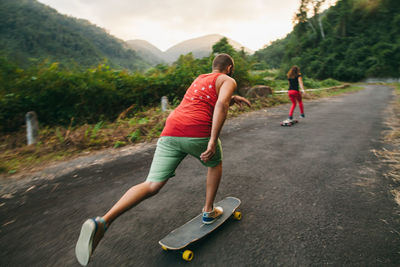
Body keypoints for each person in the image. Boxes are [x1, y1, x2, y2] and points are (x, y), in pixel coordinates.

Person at [75, 53, 251, 266]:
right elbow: (220, 104)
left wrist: (233, 99)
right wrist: (212, 140)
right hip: (197, 132)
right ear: (229, 67)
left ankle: (103, 221)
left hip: (170, 131)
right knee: (215, 164)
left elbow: (208, 99)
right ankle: (208, 211)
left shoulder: (199, 79)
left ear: (212, 66)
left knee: (151, 184)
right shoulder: (228, 80)